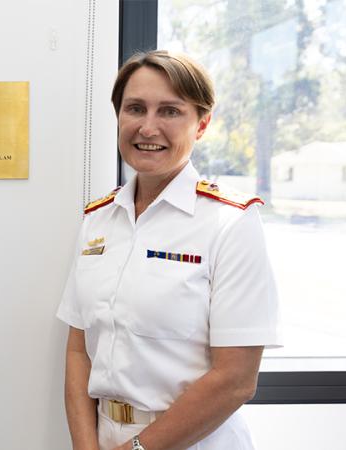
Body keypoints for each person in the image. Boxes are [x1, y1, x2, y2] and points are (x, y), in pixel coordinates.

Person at [57, 50, 280, 450]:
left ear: (202, 124)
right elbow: (78, 350)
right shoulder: (98, 219)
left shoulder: (230, 224)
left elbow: (236, 380)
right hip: (104, 435)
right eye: (135, 109)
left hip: (193, 440)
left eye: (170, 111)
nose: (148, 127)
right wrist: (86, 446)